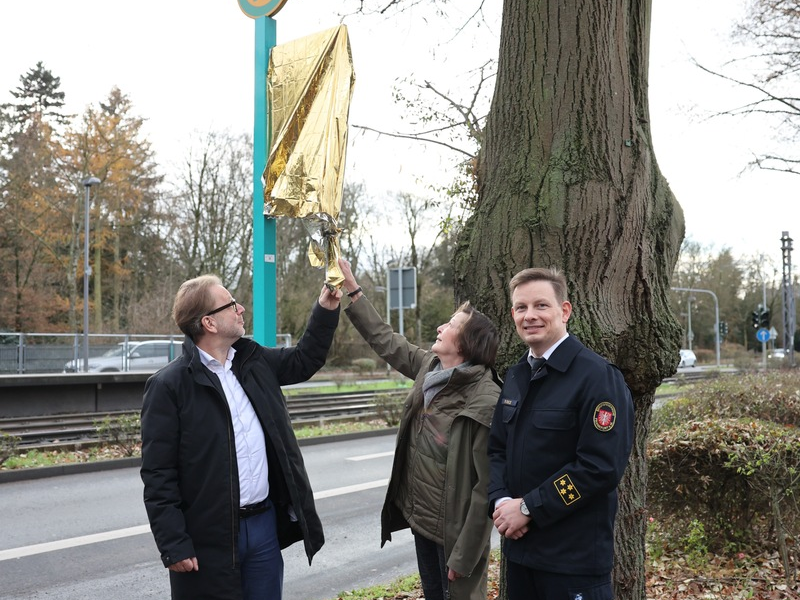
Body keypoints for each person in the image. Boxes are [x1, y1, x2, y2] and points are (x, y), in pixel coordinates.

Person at [140, 275, 341, 600]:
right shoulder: (169, 386)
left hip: (263, 527)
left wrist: (325, 309)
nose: (241, 308)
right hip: (209, 537)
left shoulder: (253, 361)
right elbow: (158, 475)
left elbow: (306, 359)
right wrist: (173, 544)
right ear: (209, 322)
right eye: (231, 304)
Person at [339, 258, 501, 600]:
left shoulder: (484, 399)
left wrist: (465, 555)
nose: (441, 327)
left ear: (466, 344)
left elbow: (486, 490)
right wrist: (353, 290)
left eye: (452, 324)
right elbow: (386, 341)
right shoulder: (431, 368)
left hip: (453, 537)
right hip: (422, 522)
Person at [488, 267, 634, 600]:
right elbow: (497, 449)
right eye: (521, 308)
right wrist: (501, 502)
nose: (530, 316)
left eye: (541, 305)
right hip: (521, 556)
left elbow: (599, 467)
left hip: (573, 563)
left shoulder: (597, 377)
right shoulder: (516, 376)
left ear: (564, 311)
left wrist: (527, 509)